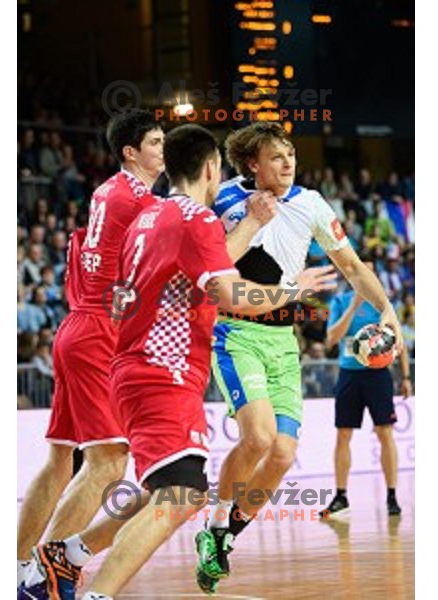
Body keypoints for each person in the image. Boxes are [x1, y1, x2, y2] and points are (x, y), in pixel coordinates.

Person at [71, 124, 337, 600]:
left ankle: (65, 556)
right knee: (184, 489)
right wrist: (295, 290)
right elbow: (229, 290)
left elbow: (195, 266)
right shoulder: (198, 217)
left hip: (141, 363)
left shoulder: (151, 217)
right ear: (213, 168)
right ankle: (92, 586)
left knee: (200, 480)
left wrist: (252, 225)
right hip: (167, 366)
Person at [195, 122, 404, 593]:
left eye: (291, 154)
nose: (288, 162)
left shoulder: (310, 203)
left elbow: (350, 265)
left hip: (282, 340)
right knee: (259, 438)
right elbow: (207, 264)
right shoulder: (225, 198)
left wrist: (386, 308)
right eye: (276, 156)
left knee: (284, 453)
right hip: (236, 333)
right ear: (253, 163)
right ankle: (212, 526)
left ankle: (226, 535)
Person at [17, 109, 165, 599]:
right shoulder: (141, 200)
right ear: (131, 151)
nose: (163, 151)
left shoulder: (106, 191)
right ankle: (45, 573)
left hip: (76, 324)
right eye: (156, 142)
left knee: (60, 459)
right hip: (100, 329)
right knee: (107, 464)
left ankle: (18, 568)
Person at [320, 261, 412, 518]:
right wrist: (354, 306)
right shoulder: (340, 301)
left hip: (377, 375)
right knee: (343, 435)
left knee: (385, 433)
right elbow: (331, 339)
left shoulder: (383, 304)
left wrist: (405, 376)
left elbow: (397, 340)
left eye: (370, 271)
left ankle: (392, 496)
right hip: (349, 373)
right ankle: (340, 496)